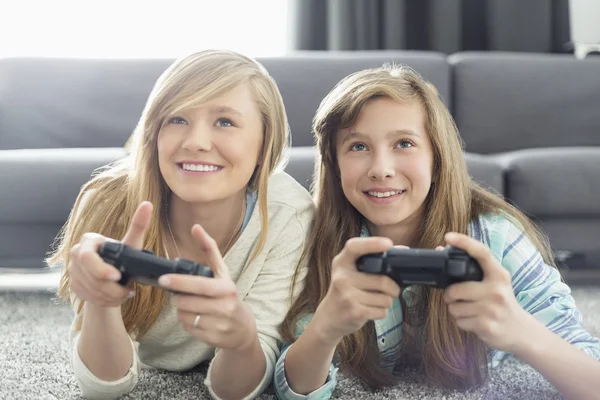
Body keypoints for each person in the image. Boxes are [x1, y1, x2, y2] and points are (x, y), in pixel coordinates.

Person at [273, 65, 600, 400]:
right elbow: (293, 387)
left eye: (404, 143)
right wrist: (325, 328)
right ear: (334, 163)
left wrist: (519, 331)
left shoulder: (494, 236)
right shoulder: (317, 241)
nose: (381, 169)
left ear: (437, 160)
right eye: (358, 146)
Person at [47, 49, 315, 400]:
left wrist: (243, 340)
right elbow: (103, 388)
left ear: (265, 145)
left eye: (225, 122)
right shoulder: (105, 203)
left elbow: (234, 392)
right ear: (154, 133)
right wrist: (102, 303)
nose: (196, 143)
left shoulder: (288, 214)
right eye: (177, 119)